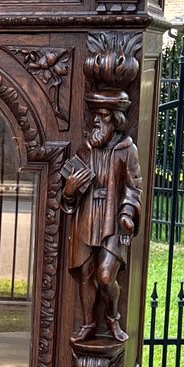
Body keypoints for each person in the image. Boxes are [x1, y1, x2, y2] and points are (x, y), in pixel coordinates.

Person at [61, 89, 142, 342]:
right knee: (84, 273)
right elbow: (68, 189)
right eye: (94, 115)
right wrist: (69, 190)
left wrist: (127, 213)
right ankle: (88, 324)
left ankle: (113, 319)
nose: (96, 120)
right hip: (86, 216)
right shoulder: (86, 149)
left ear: (116, 119)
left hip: (112, 220)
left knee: (106, 276)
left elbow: (134, 186)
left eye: (103, 115)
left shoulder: (126, 150)